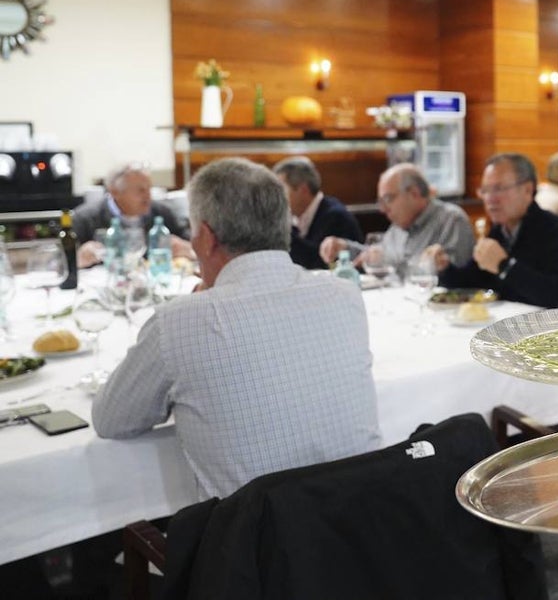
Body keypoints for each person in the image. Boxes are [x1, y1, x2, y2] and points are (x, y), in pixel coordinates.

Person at [92, 158, 381, 499]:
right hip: (363, 526)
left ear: (206, 238)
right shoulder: (344, 294)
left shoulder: (179, 321)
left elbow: (111, 420)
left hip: (255, 545)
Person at [429, 153, 558, 308]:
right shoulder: (498, 232)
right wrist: (445, 268)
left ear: (528, 190)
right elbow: (473, 282)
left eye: (498, 189)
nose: (490, 199)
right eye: (485, 190)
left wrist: (505, 266)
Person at [321, 163, 473, 273]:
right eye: (380, 202)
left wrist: (386, 262)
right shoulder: (398, 226)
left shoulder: (451, 220)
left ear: (414, 193)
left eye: (388, 199)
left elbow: (455, 275)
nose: (383, 209)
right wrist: (345, 248)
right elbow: (378, 254)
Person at [73, 161, 192, 267]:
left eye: (149, 189)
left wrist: (186, 248)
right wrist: (79, 258)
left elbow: (193, 243)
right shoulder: (85, 218)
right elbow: (63, 261)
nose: (148, 196)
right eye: (141, 190)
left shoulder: (161, 213)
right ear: (115, 192)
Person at [273, 156, 362, 270]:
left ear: (303, 190)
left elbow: (321, 263)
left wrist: (281, 232)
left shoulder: (336, 217)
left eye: (282, 191)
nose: (278, 198)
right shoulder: (295, 218)